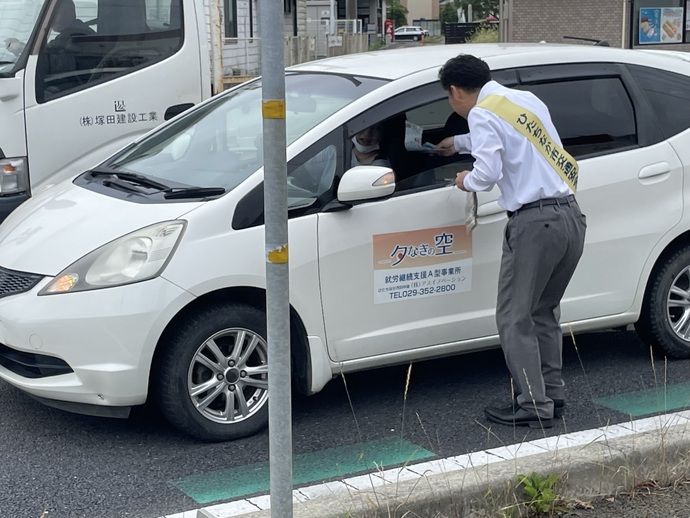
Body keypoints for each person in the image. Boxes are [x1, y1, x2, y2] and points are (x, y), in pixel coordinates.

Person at [435, 54, 587, 429]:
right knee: (543, 311)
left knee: (513, 317)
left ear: (455, 91)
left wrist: (463, 181)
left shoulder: (480, 112)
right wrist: (458, 143)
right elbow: (515, 139)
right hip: (569, 215)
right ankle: (553, 393)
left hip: (534, 224)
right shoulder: (523, 101)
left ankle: (533, 404)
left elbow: (487, 173)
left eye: (448, 97)